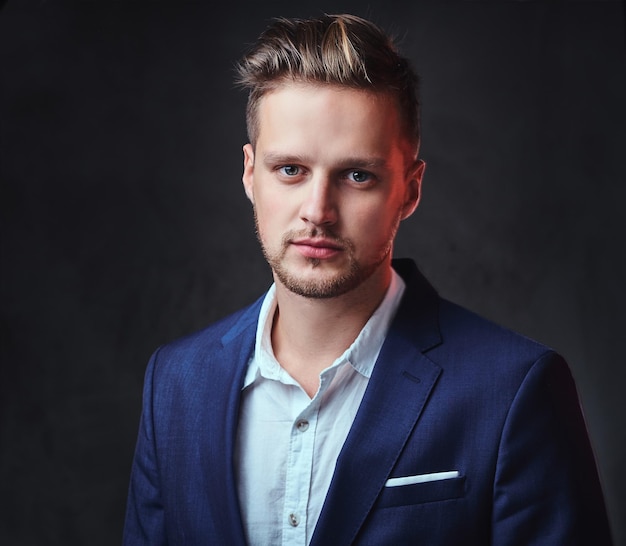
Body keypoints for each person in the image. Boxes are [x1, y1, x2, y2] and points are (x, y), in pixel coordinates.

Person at [122, 13, 613, 545]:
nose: (318, 211)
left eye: (358, 175)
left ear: (409, 189)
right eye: (290, 169)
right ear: (249, 173)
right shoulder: (174, 383)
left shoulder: (515, 389)